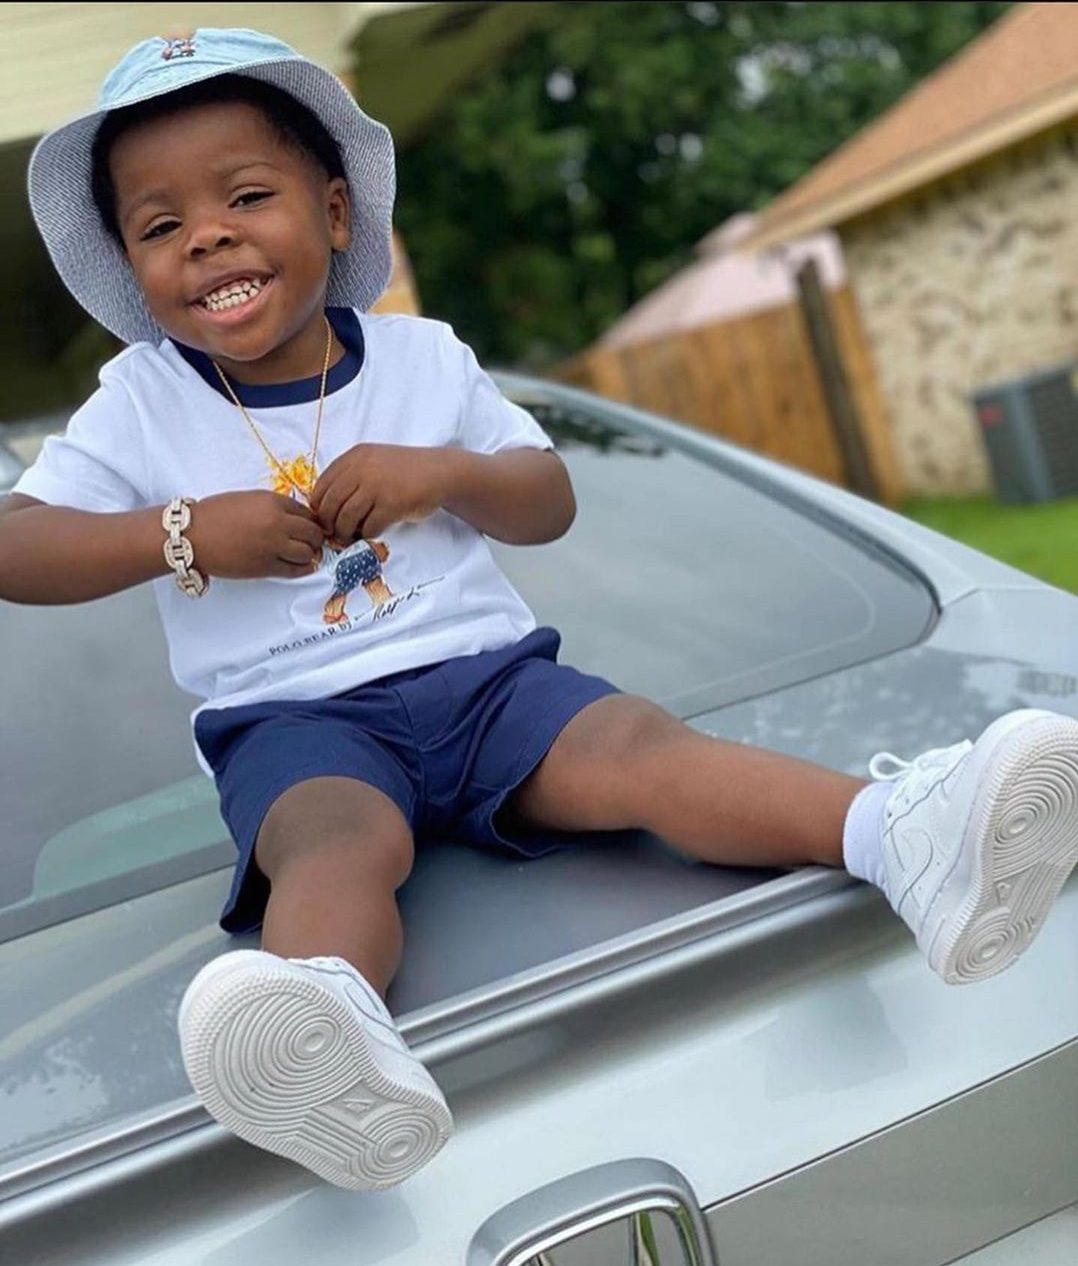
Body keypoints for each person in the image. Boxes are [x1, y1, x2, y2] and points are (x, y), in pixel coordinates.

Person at [2, 28, 1076, 1194]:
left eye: (245, 196)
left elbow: (547, 499)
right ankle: (325, 1035)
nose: (204, 234)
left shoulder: (425, 361)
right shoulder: (141, 404)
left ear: (337, 215)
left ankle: (901, 838)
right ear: (132, 268)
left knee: (637, 748)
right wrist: (181, 534)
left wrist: (441, 474)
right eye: (158, 227)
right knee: (334, 841)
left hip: (488, 682)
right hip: (297, 721)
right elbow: (21, 548)